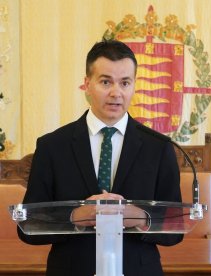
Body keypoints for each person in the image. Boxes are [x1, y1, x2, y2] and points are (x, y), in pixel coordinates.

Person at [18, 40, 183, 276]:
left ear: (134, 85)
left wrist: (141, 217)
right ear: (87, 84)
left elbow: (175, 227)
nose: (116, 93)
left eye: (125, 82)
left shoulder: (159, 147)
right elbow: (28, 226)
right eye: (105, 82)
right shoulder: (52, 146)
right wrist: (75, 216)